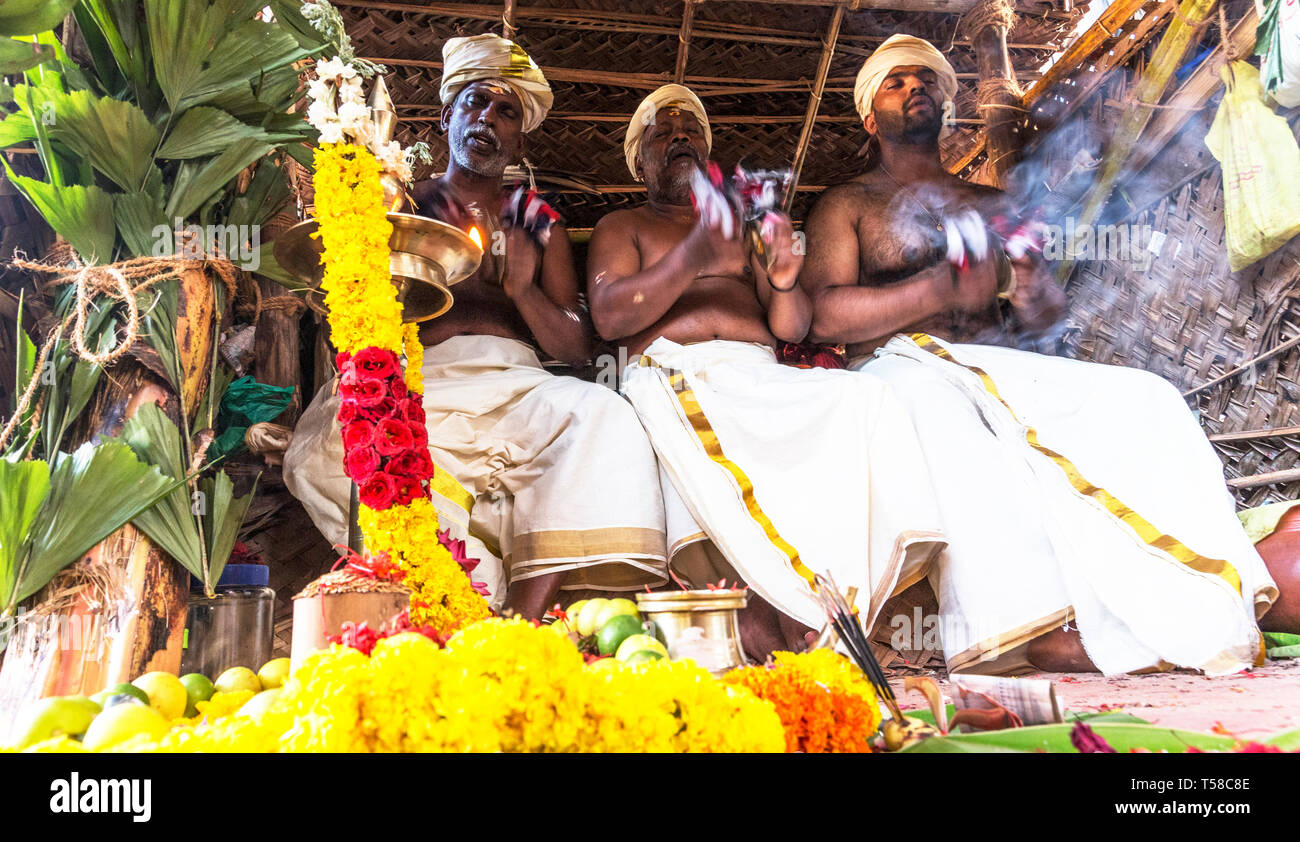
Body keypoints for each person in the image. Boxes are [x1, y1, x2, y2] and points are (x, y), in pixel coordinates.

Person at [799, 34, 1278, 675]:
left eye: (926, 80)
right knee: (939, 414)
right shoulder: (847, 205)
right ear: (869, 116)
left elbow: (1045, 318)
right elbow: (823, 314)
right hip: (897, 368)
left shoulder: (995, 205)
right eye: (896, 81)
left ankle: (1197, 594)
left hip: (1000, 367)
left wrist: (1026, 281)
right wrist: (937, 287)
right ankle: (1026, 631)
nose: (915, 87)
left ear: (946, 103)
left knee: (1147, 398)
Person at [285, 35, 677, 619]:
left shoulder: (537, 221)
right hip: (423, 386)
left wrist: (521, 290)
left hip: (519, 386)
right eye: (474, 103)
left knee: (607, 417)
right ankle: (457, 599)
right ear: (447, 115)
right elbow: (351, 307)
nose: (487, 119)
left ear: (520, 135)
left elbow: (574, 345)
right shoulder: (399, 201)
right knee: (323, 452)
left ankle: (523, 615)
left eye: (506, 111)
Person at [590, 84, 947, 660]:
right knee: (695, 435)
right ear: (639, 160)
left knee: (862, 400)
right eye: (663, 129)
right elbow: (608, 318)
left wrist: (781, 278)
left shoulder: (743, 227)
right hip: (672, 370)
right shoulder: (623, 226)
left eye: (692, 130)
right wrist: (694, 254)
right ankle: (777, 619)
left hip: (756, 370)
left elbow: (792, 327)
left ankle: (846, 604)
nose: (680, 135)